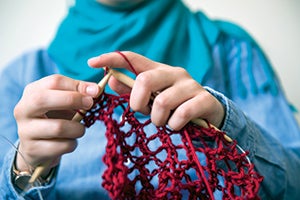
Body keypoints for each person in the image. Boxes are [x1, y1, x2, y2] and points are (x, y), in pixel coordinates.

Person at [0, 0, 299, 199]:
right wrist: (24, 171)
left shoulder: (232, 52)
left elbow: (294, 184)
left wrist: (226, 124)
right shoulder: (22, 76)